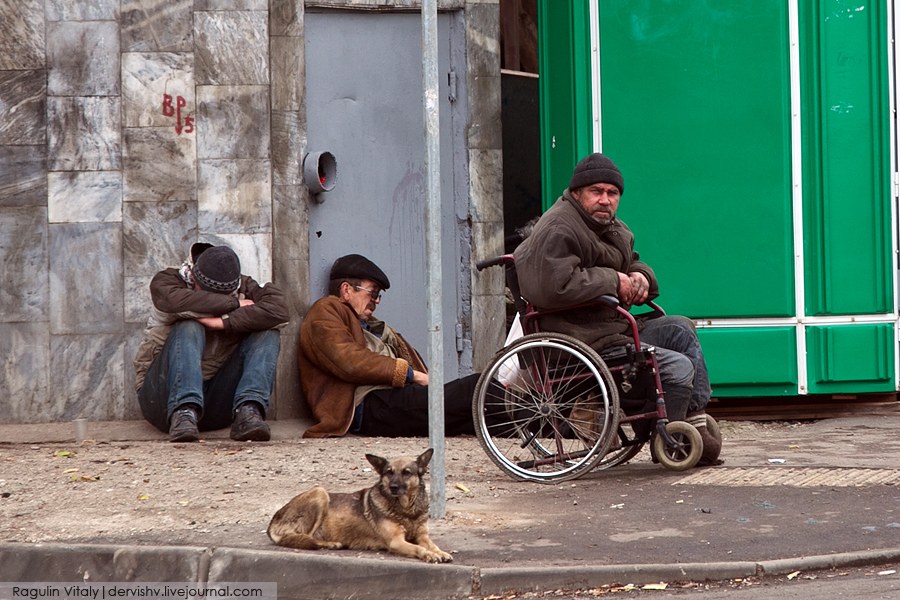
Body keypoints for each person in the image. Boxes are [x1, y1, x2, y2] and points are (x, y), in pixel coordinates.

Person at [512, 152, 721, 465]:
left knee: (680, 328)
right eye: (596, 191)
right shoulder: (559, 227)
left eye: (612, 193)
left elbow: (631, 261)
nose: (605, 200)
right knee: (677, 366)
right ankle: (667, 436)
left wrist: (640, 277)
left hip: (611, 329)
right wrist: (613, 281)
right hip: (580, 339)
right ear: (576, 193)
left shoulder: (611, 227)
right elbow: (553, 286)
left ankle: (694, 422)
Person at [298, 254, 483, 438]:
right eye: (373, 293)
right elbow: (348, 359)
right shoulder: (325, 311)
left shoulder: (372, 325)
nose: (377, 300)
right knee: (475, 388)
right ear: (347, 290)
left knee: (478, 414)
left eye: (378, 295)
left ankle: (500, 424)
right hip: (369, 404)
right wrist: (412, 375)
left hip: (390, 398)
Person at [134, 242, 289, 443]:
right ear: (195, 278)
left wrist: (223, 323)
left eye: (224, 295)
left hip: (217, 404)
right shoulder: (169, 281)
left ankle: (248, 412)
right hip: (161, 400)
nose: (215, 299)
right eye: (209, 293)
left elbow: (279, 311)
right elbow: (174, 302)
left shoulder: (245, 285)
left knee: (268, 332)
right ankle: (184, 411)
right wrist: (234, 303)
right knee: (189, 325)